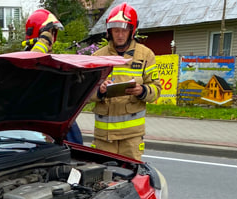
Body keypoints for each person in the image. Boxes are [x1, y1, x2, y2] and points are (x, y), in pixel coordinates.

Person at [91, 3, 161, 160]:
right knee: (102, 179)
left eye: (124, 30)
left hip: (131, 138)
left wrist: (142, 91)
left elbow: (156, 90)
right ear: (110, 31)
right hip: (104, 137)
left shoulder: (146, 55)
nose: (120, 35)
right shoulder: (98, 57)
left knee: (131, 180)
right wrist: (100, 91)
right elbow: (85, 94)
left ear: (132, 30)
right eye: (116, 30)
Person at [22, 10, 83, 145]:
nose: (52, 38)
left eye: (53, 34)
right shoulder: (22, 62)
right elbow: (30, 68)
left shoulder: (54, 62)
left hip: (60, 126)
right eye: (49, 33)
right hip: (37, 133)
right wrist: (42, 44)